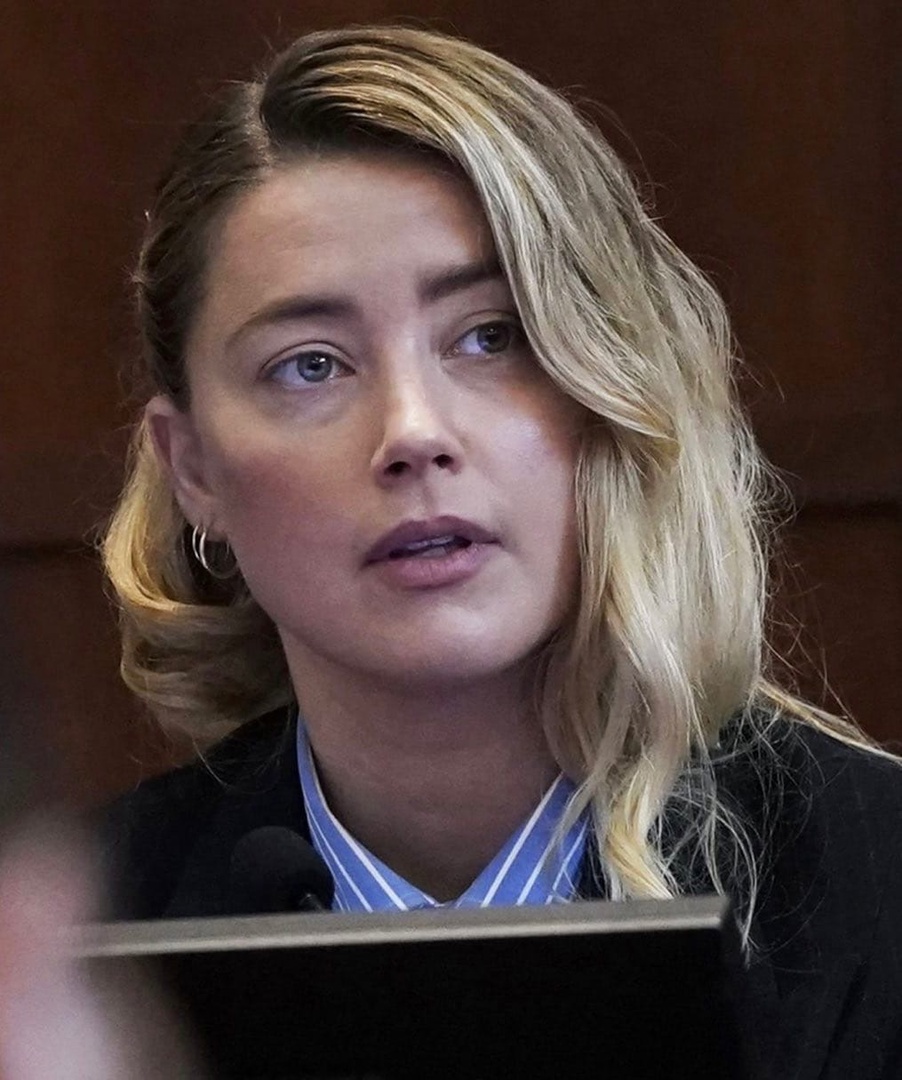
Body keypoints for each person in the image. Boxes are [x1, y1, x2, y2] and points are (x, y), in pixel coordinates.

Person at [100, 25, 902, 1077]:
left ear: (611, 384)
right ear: (194, 466)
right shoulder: (69, 950)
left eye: (492, 336)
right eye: (311, 364)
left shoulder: (874, 889)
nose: (412, 432)